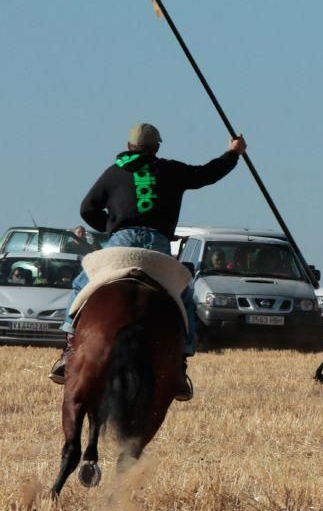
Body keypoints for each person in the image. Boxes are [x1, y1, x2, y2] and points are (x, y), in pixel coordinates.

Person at [49, 122, 247, 401]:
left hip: (121, 242)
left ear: (129, 146)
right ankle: (181, 362)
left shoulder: (114, 172)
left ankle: (69, 347)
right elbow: (207, 174)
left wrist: (110, 226)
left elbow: (87, 208)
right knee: (184, 294)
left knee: (83, 282)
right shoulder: (170, 169)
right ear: (155, 147)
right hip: (157, 244)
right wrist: (233, 154)